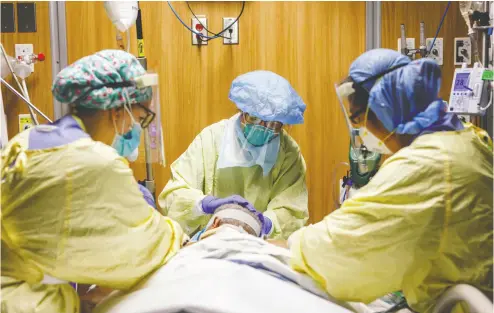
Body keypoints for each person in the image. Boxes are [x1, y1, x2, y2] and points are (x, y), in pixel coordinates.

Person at [288, 49, 493, 313]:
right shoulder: (468, 139)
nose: (360, 131)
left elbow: (341, 250)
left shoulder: (427, 163)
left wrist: (291, 244)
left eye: (358, 119)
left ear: (384, 107)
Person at [1, 50, 185, 313]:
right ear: (118, 111)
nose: (135, 128)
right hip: (25, 303)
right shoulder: (96, 161)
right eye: (140, 116)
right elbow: (144, 249)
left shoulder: (26, 141)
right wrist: (180, 235)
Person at [159, 70, 309, 240]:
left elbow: (292, 211)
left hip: (261, 243)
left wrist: (266, 224)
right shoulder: (211, 139)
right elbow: (175, 193)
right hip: (209, 239)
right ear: (241, 110)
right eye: (254, 118)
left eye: (273, 124)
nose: (262, 128)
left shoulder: (288, 153)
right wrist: (204, 205)